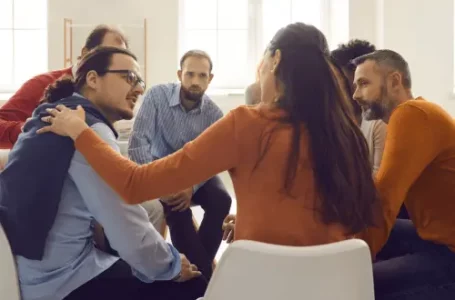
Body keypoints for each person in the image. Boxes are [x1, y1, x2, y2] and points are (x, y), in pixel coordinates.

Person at [38, 23, 379, 260]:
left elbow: (133, 184)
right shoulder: (347, 133)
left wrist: (80, 133)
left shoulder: (248, 123)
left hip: (260, 285)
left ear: (274, 60)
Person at [1, 46, 206, 300]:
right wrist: (173, 265)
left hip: (23, 271)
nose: (139, 89)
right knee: (194, 286)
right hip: (61, 281)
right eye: (129, 77)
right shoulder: (90, 131)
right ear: (93, 79)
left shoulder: (48, 115)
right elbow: (127, 227)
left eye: (140, 81)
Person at [351, 49, 455, 299]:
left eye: (364, 84)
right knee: (350, 230)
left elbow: (384, 199)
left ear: (395, 81)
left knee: (355, 284)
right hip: (433, 237)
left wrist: (349, 266)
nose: (355, 95)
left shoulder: (410, 114)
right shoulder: (418, 113)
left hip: (449, 253)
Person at [128, 49, 232, 279]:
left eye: (202, 76)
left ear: (210, 79)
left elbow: (213, 160)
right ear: (179, 74)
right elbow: (137, 145)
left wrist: (192, 186)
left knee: (222, 199)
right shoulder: (157, 97)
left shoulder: (214, 114)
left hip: (196, 172)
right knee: (177, 207)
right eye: (190, 74)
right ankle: (204, 278)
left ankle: (198, 273)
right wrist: (159, 186)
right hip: (160, 169)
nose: (195, 82)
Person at [331, 39, 387, 175]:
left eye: (338, 78)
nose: (334, 86)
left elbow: (380, 185)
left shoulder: (380, 122)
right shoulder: (338, 119)